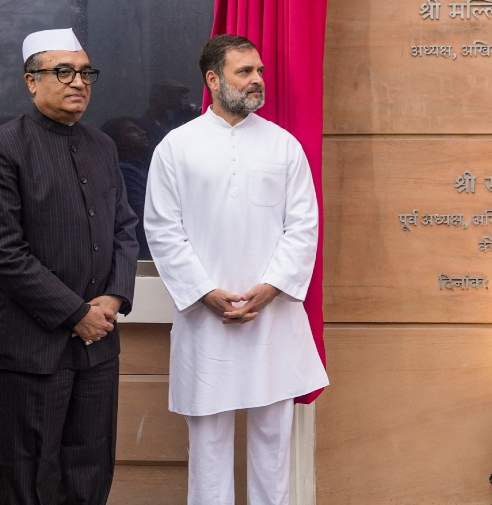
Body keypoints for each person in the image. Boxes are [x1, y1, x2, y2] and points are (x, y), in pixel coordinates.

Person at [145, 34, 328, 505]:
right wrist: (206, 292)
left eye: (259, 71)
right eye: (245, 72)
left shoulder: (284, 146)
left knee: (273, 444)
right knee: (207, 444)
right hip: (206, 320)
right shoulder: (176, 147)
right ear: (212, 79)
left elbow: (303, 224)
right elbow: (163, 230)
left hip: (273, 317)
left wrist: (270, 288)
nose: (257, 80)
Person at [0, 28, 138, 505]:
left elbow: (124, 227)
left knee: (91, 466)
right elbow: (6, 252)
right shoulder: (7, 147)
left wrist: (116, 296)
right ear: (31, 81)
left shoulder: (102, 145)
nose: (78, 81)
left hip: (98, 349)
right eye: (63, 71)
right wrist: (75, 313)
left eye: (85, 72)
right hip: (32, 350)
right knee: (28, 474)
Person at [101, 117, 152, 260]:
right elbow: (142, 213)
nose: (142, 132)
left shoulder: (138, 167)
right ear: (117, 142)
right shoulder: (124, 171)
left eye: (140, 128)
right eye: (131, 131)